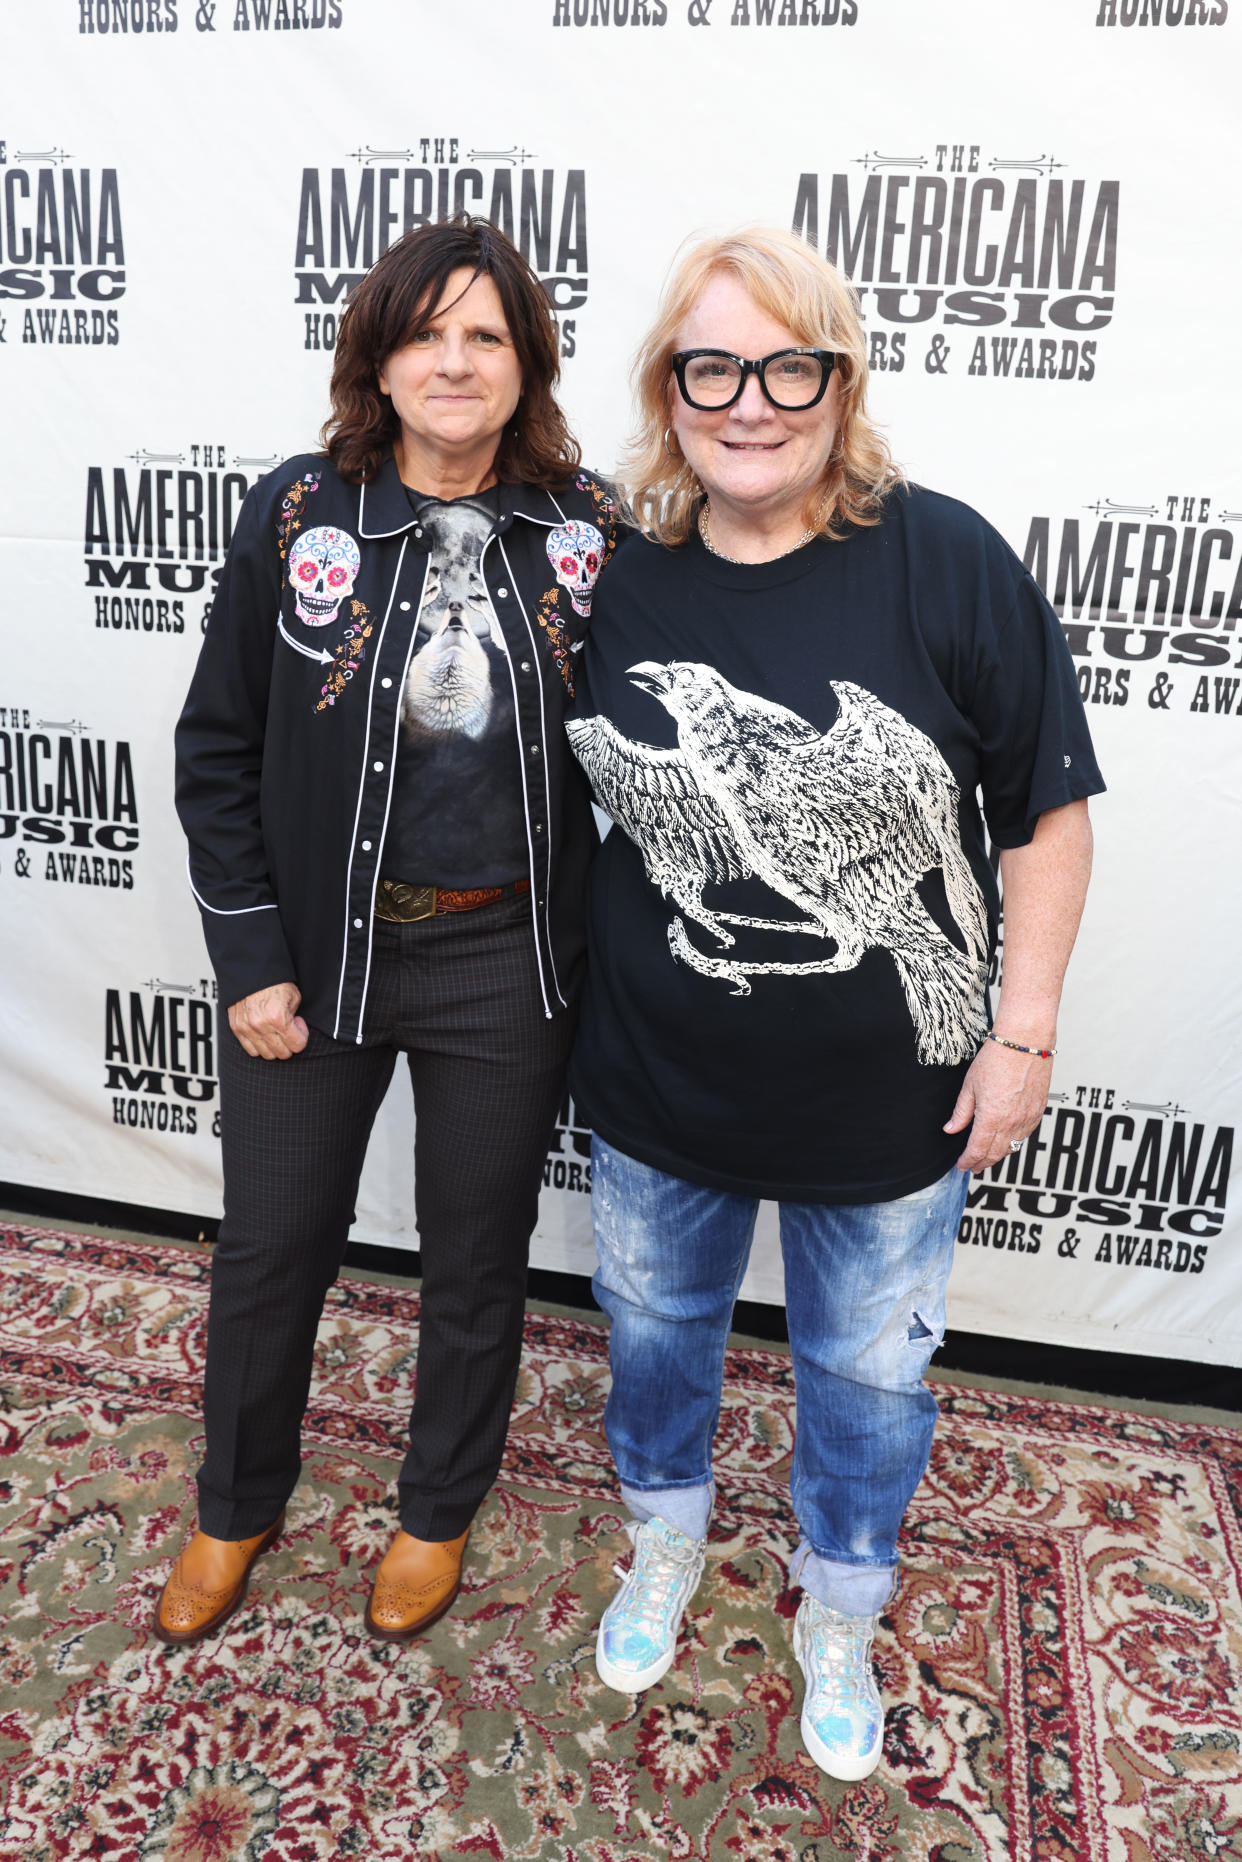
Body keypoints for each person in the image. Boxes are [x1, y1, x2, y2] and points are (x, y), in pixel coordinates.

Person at [565, 227, 1102, 1780]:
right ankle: (661, 1542)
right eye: (709, 367)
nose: (748, 401)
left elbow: (1043, 818)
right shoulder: (614, 575)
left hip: (891, 1094)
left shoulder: (943, 559)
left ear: (838, 380)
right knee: (655, 1331)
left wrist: (1021, 1026)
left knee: (865, 1379)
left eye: (785, 364)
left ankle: (840, 1609)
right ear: (669, 391)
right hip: (659, 1076)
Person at [159, 216, 617, 1647]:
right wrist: (251, 955)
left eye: (485, 334)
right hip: (317, 955)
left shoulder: (588, 530)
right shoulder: (300, 513)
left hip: (505, 959)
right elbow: (216, 744)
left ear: (526, 358)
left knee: (474, 1254)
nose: (454, 360)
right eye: (426, 332)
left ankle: (436, 1508)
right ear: (378, 352)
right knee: (270, 1243)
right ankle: (236, 1500)